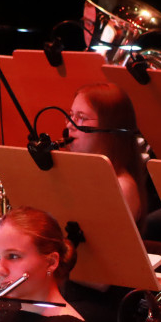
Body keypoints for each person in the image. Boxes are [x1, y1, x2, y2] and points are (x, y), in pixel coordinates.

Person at [65, 82, 147, 224]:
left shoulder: (122, 187)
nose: (69, 125)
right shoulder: (77, 172)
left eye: (82, 118)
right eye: (71, 115)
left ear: (109, 128)